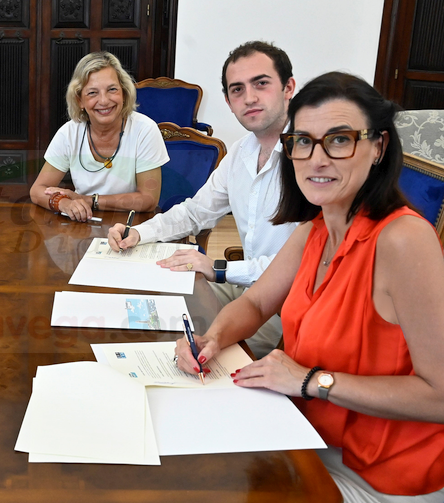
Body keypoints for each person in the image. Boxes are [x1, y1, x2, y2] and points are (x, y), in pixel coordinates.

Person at [175, 72, 444, 502]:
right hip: (308, 436)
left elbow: (440, 395)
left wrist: (312, 381)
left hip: (384, 473)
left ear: (378, 146)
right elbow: (259, 301)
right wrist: (211, 339)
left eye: (339, 139)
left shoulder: (403, 241)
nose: (316, 158)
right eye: (303, 140)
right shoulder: (314, 229)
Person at [108, 41, 298, 358]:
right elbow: (195, 212)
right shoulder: (241, 152)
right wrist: (141, 233)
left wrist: (218, 268)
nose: (249, 98)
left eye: (261, 84)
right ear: (227, 100)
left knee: (174, 344)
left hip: (287, 310)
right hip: (245, 288)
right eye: (237, 90)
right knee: (148, 303)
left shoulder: (313, 160)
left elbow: (300, 269)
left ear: (288, 87)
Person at [30, 51, 166, 222]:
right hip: (83, 224)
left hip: (132, 226)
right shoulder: (69, 133)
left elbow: (148, 200)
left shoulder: (145, 130)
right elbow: (37, 191)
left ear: (123, 93)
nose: (104, 101)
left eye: (112, 90)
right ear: (80, 100)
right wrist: (62, 203)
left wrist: (90, 200)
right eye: (92, 93)